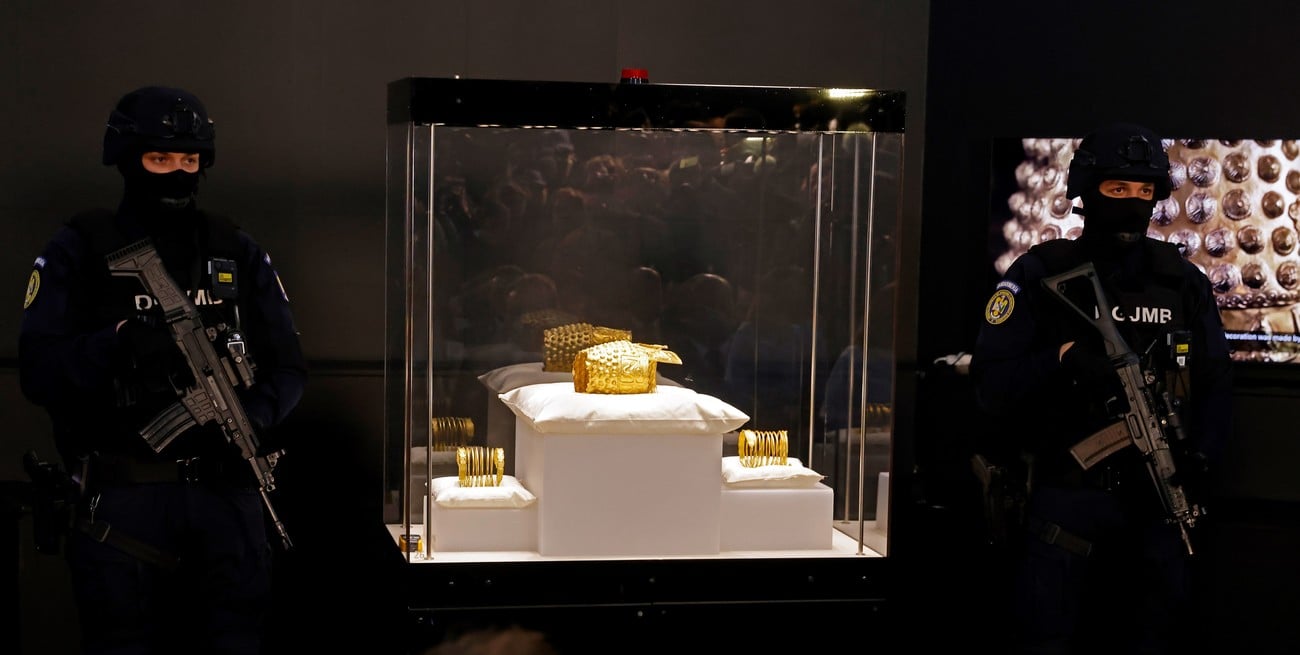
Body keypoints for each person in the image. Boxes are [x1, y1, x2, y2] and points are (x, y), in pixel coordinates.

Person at [18, 85, 307, 654]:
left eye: (189, 160)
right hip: (125, 500)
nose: (177, 173)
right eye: (160, 159)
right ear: (127, 160)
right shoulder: (82, 247)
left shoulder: (233, 248)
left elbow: (289, 368)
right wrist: (118, 343)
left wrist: (250, 417)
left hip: (225, 496)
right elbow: (38, 370)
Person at [970, 122, 1233, 654]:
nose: (1133, 203)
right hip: (1067, 505)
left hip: (1158, 509)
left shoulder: (1181, 282)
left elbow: (1215, 386)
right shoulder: (1041, 273)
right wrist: (1062, 359)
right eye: (1118, 188)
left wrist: (1201, 455)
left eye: (1144, 190)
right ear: (1086, 192)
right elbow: (990, 385)